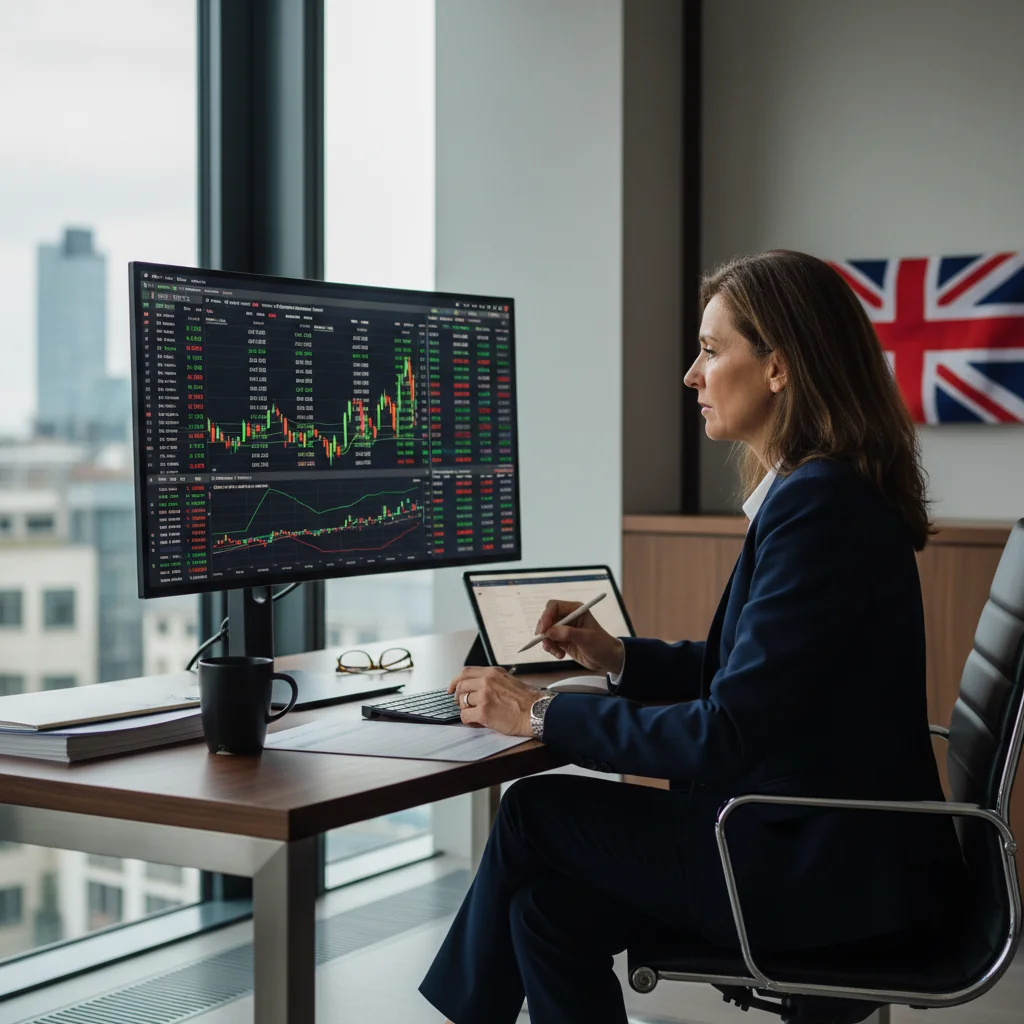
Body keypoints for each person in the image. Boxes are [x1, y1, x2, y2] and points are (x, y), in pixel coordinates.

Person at [419, 250, 966, 1024]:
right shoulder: (828, 494)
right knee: (544, 909)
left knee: (533, 813)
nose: (691, 374)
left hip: (812, 873)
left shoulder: (819, 510)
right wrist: (619, 657)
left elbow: (727, 732)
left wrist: (536, 715)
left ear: (778, 368)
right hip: (837, 850)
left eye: (712, 350)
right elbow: (764, 674)